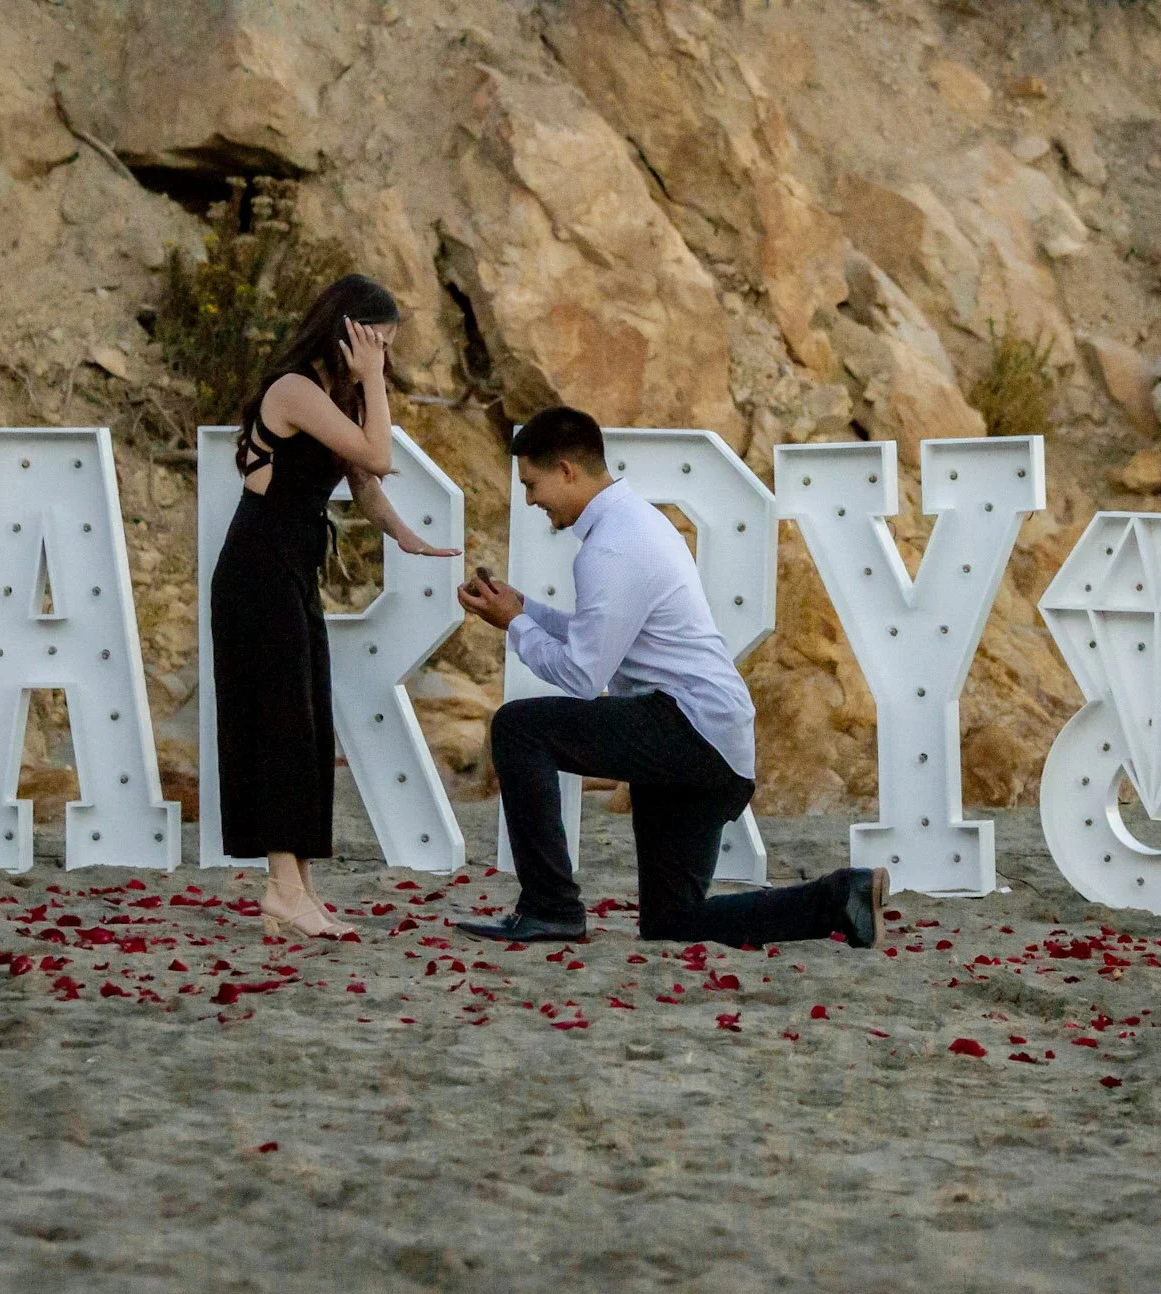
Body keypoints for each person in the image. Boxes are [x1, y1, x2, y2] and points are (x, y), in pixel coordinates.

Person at [455, 406, 886, 946]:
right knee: (672, 923)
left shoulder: (611, 547)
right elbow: (602, 636)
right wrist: (525, 610)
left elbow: (583, 676)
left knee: (519, 727)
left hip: (688, 730)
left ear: (567, 470)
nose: (530, 500)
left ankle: (551, 907)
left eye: (532, 484)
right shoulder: (633, 522)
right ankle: (839, 895)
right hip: (712, 741)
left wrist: (514, 624)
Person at [211, 274, 459, 940]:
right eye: (376, 339)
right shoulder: (294, 390)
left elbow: (366, 481)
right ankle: (280, 889)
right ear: (348, 330)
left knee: (307, 725)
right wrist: (374, 380)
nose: (382, 353)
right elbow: (377, 450)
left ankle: (298, 891)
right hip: (258, 568)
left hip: (290, 568)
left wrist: (403, 533)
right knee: (279, 726)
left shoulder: (333, 397)